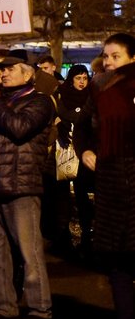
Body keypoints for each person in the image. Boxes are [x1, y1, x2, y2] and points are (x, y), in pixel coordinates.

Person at [0, 55, 55, 319]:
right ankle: (4, 306)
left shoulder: (39, 101)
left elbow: (20, 128)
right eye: (0, 70)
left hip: (20, 185)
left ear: (28, 74)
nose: (2, 74)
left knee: (29, 251)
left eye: (9, 70)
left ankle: (39, 309)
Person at [74, 33, 135, 319]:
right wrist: (84, 150)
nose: (109, 62)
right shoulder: (98, 90)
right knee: (118, 266)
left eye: (116, 56)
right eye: (105, 56)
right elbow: (81, 127)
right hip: (111, 185)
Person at [54, 64, 94, 259]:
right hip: (65, 150)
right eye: (78, 78)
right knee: (64, 193)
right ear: (71, 79)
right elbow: (62, 113)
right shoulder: (62, 95)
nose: (81, 82)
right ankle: (64, 233)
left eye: (85, 78)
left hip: (85, 150)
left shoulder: (92, 96)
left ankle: (87, 231)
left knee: (82, 191)